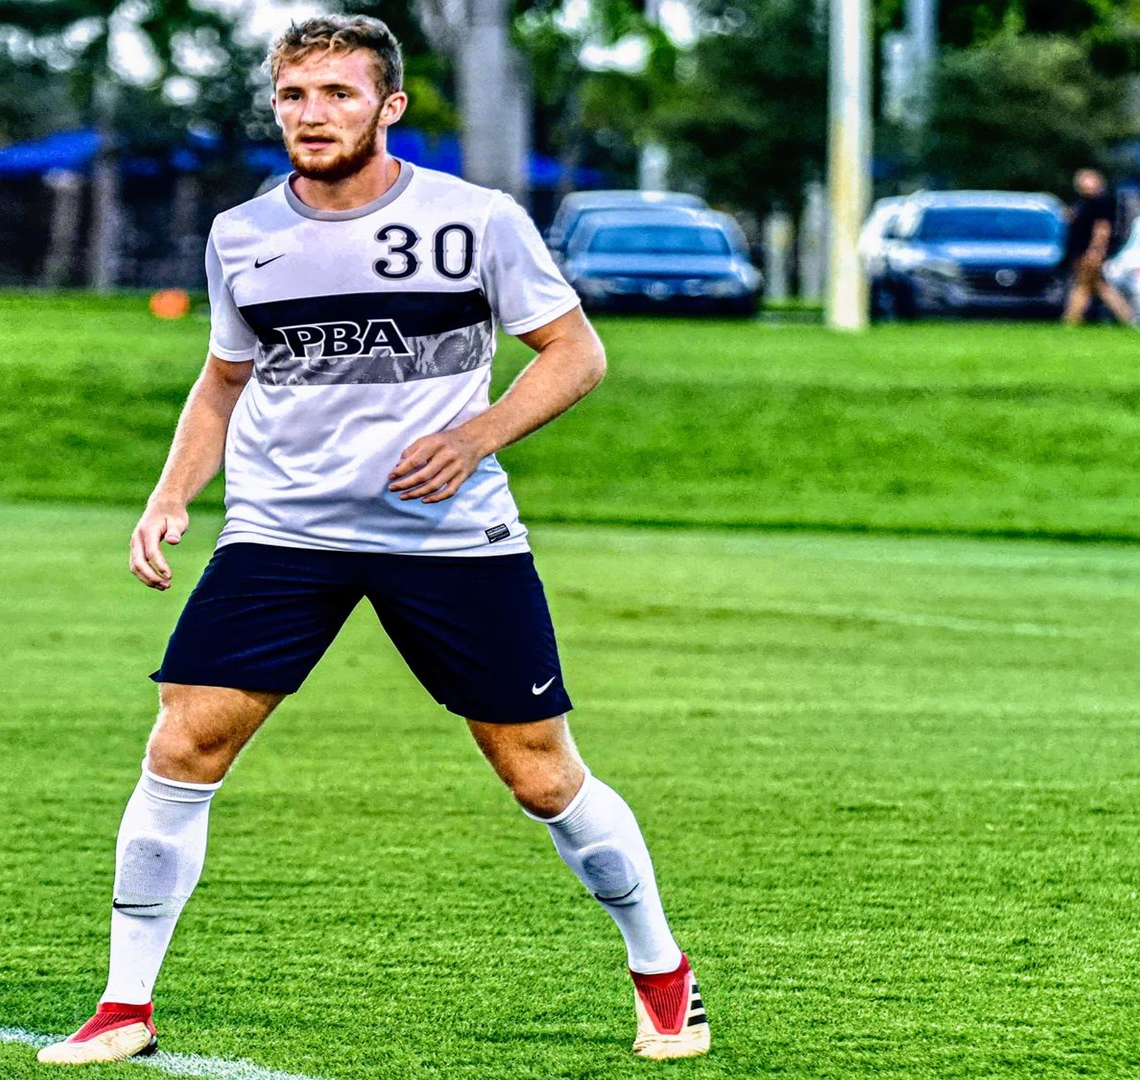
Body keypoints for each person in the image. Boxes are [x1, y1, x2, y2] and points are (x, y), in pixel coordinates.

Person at [36, 15, 708, 1067]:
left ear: (388, 107)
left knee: (539, 774)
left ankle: (662, 973)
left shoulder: (476, 221)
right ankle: (125, 1006)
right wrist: (170, 495)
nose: (313, 115)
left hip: (449, 536)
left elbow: (575, 353)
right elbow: (223, 380)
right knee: (183, 743)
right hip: (282, 532)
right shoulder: (241, 234)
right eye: (295, 95)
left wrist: (475, 437)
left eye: (339, 94)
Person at [1062, 169, 1136, 327]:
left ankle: (1071, 320)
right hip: (1080, 251)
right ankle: (1129, 319)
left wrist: (1096, 250)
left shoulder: (1100, 202)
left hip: (1088, 252)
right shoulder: (1083, 203)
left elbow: (1102, 228)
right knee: (1095, 286)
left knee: (1085, 286)